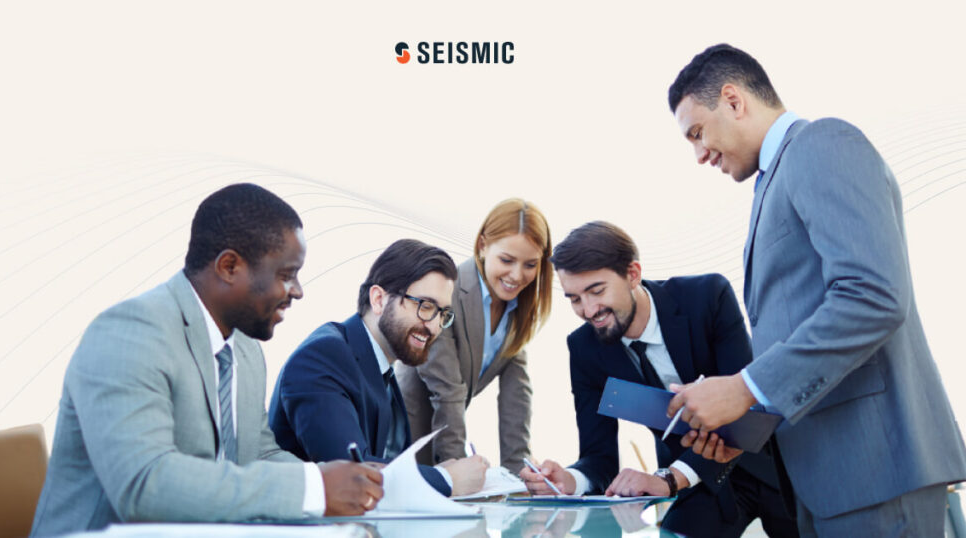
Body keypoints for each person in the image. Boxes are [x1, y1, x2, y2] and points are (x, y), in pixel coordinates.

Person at [666, 43, 966, 535]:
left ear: (734, 100)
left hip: (876, 474)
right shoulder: (773, 180)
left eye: (697, 133)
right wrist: (747, 421)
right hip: (825, 480)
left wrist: (746, 387)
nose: (700, 154)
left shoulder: (822, 144)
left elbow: (872, 295)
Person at [31, 184, 384, 537]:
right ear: (229, 266)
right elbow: (144, 485)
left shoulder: (244, 349)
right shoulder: (130, 332)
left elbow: (257, 454)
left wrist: (345, 486)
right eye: (286, 274)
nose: (298, 291)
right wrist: (313, 488)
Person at [519, 221, 796, 537]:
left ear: (633, 274)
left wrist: (668, 479)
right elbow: (599, 456)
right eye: (574, 298)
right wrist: (570, 480)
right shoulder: (583, 349)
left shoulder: (708, 297)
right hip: (698, 484)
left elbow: (744, 414)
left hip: (770, 463)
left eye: (597, 291)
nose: (589, 310)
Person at [269, 239, 488, 497]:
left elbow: (388, 465)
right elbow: (351, 473)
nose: (434, 326)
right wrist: (445, 478)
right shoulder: (323, 357)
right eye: (426, 306)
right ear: (379, 299)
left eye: (443, 314)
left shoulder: (380, 367)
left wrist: (440, 473)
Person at [396, 198, 553, 472]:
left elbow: (517, 396)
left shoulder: (517, 307)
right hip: (403, 434)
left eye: (530, 264)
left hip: (441, 431)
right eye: (507, 260)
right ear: (482, 246)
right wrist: (456, 465)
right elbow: (447, 389)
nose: (517, 275)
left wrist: (518, 472)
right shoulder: (447, 291)